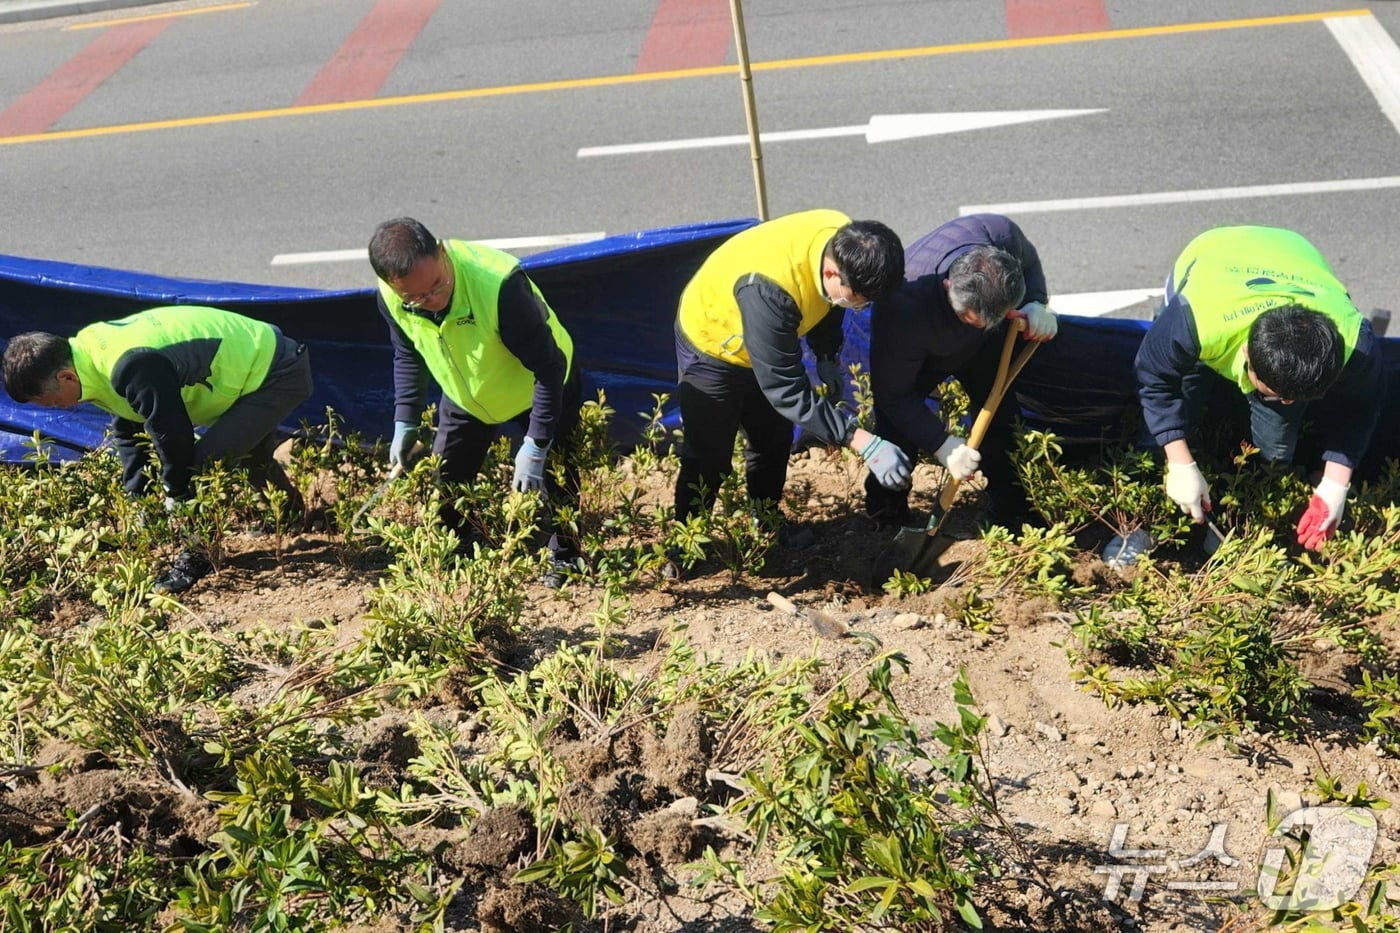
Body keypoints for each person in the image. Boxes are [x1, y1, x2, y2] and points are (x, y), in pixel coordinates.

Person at [2, 305, 312, 594]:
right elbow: (128, 427)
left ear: (65, 377)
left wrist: (174, 493)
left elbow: (174, 438)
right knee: (249, 455)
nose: (55, 408)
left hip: (276, 371)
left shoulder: (131, 365)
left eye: (50, 401)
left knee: (204, 465)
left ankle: (200, 556)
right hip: (252, 366)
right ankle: (292, 516)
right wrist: (140, 502)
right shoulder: (88, 355)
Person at [1136, 225, 1385, 551]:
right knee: (1186, 395)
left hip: (1293, 253)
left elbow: (1361, 407)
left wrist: (1335, 484)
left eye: (1294, 397)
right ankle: (1140, 525)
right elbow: (1155, 382)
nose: (1287, 402)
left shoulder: (1354, 342)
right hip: (1215, 255)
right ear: (1247, 356)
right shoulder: (1194, 320)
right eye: (1275, 393)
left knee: (1276, 448)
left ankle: (1236, 525)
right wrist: (1179, 462)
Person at [672, 209, 912, 548]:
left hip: (768, 334)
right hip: (714, 345)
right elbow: (785, 390)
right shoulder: (769, 289)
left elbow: (830, 303)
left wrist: (827, 355)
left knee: (772, 440)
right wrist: (862, 441)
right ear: (831, 272)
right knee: (708, 456)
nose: (860, 306)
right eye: (860, 299)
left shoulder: (843, 240)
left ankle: (767, 520)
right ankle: (686, 539)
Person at [368, 217, 582, 586]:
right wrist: (405, 420)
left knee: (556, 478)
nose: (432, 301)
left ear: (442, 251)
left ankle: (566, 556)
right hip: (467, 394)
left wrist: (536, 443)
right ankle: (461, 549)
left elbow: (549, 368)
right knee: (448, 481)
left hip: (537, 385)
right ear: (392, 285)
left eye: (437, 286)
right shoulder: (391, 296)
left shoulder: (497, 286)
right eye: (415, 298)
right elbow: (407, 353)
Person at [865, 213, 1059, 530]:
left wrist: (1036, 301)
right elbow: (894, 395)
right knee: (897, 432)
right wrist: (943, 445)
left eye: (994, 318)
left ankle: (1010, 509)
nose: (980, 325)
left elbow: (1029, 262)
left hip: (982, 348)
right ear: (948, 286)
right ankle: (886, 514)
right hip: (922, 353)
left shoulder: (997, 233)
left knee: (1001, 420)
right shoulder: (903, 303)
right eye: (971, 319)